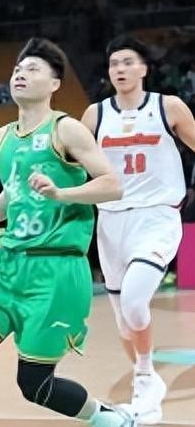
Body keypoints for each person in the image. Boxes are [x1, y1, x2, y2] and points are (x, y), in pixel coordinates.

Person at [0, 39, 132, 427]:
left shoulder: (66, 129)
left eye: (33, 69)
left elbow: (112, 185)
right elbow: (15, 188)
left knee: (34, 385)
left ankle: (107, 418)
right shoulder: (2, 137)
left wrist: (61, 194)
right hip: (7, 267)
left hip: (56, 273)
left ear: (55, 83)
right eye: (17, 70)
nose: (21, 74)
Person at [81, 36, 195, 424]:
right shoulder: (95, 115)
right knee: (123, 322)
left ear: (144, 68)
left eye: (128, 62)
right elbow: (75, 165)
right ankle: (146, 389)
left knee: (133, 303)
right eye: (114, 63)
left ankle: (145, 377)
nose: (120, 69)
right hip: (111, 221)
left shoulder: (168, 107)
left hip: (156, 216)